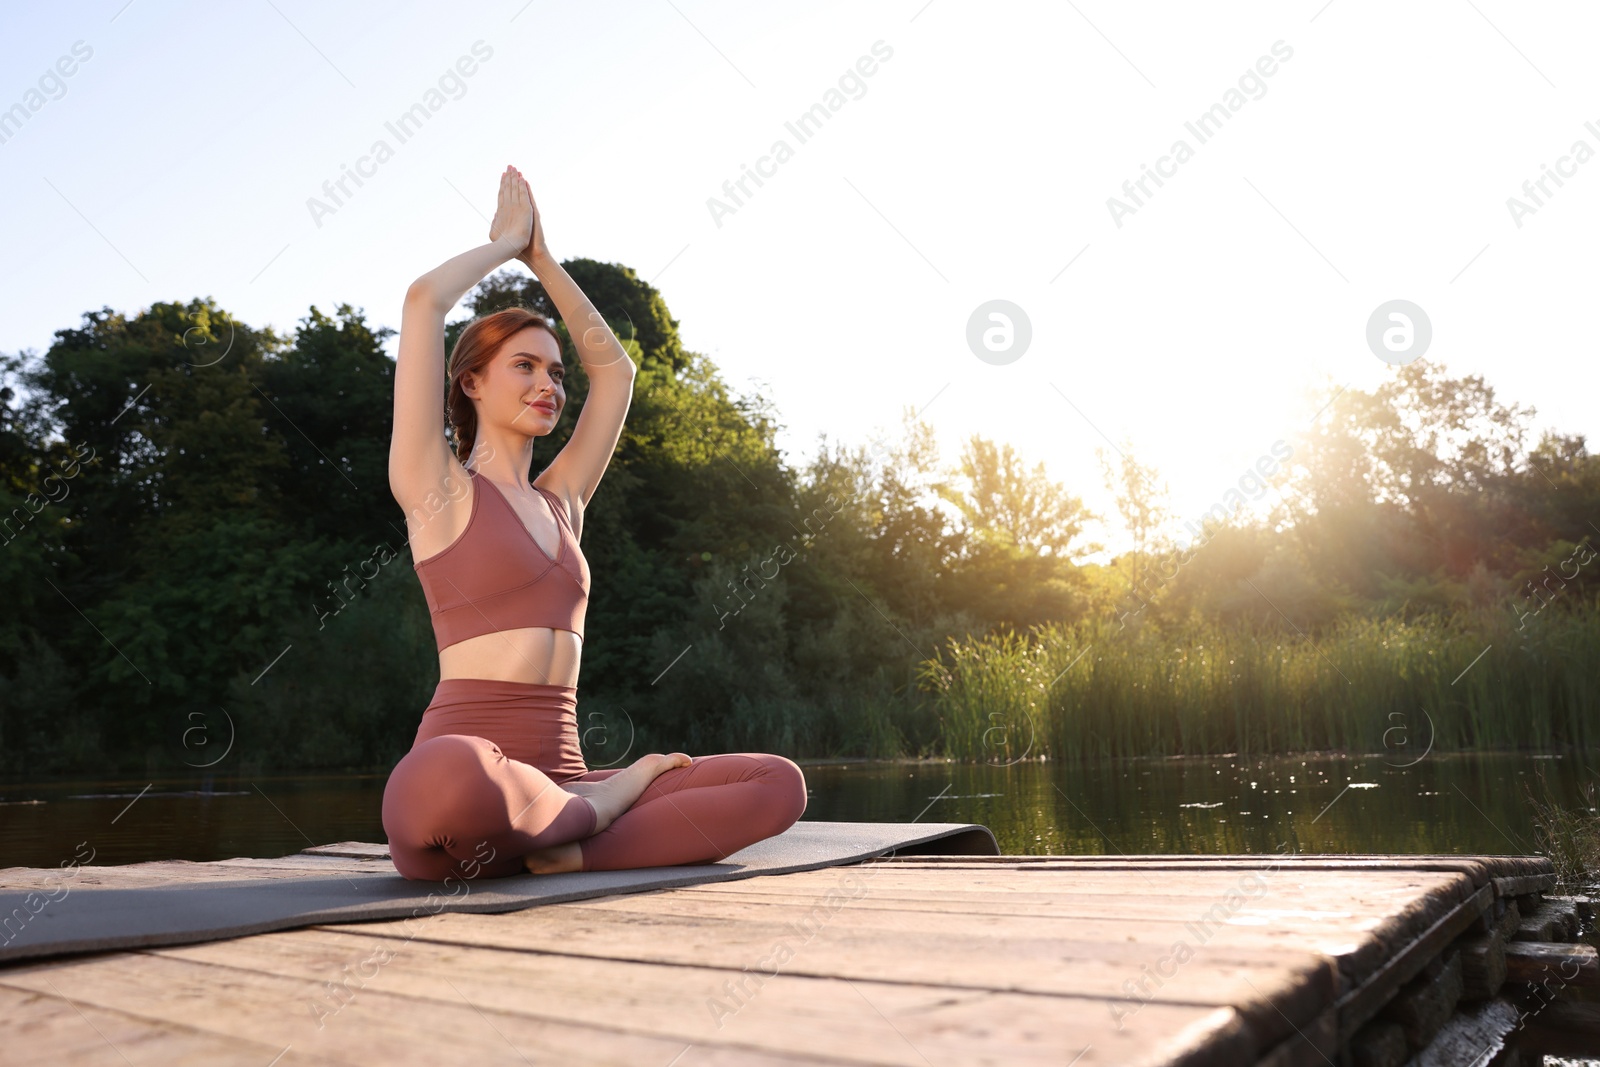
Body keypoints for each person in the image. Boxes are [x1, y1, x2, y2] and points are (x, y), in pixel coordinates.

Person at [381, 166, 806, 882]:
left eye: (554, 371)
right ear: (471, 382)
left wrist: (543, 259)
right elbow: (424, 301)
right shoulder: (438, 488)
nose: (549, 384)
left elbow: (617, 375)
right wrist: (509, 243)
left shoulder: (563, 501)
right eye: (524, 366)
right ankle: (603, 807)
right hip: (476, 781)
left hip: (566, 778)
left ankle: (571, 839)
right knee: (448, 776)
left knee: (777, 781)